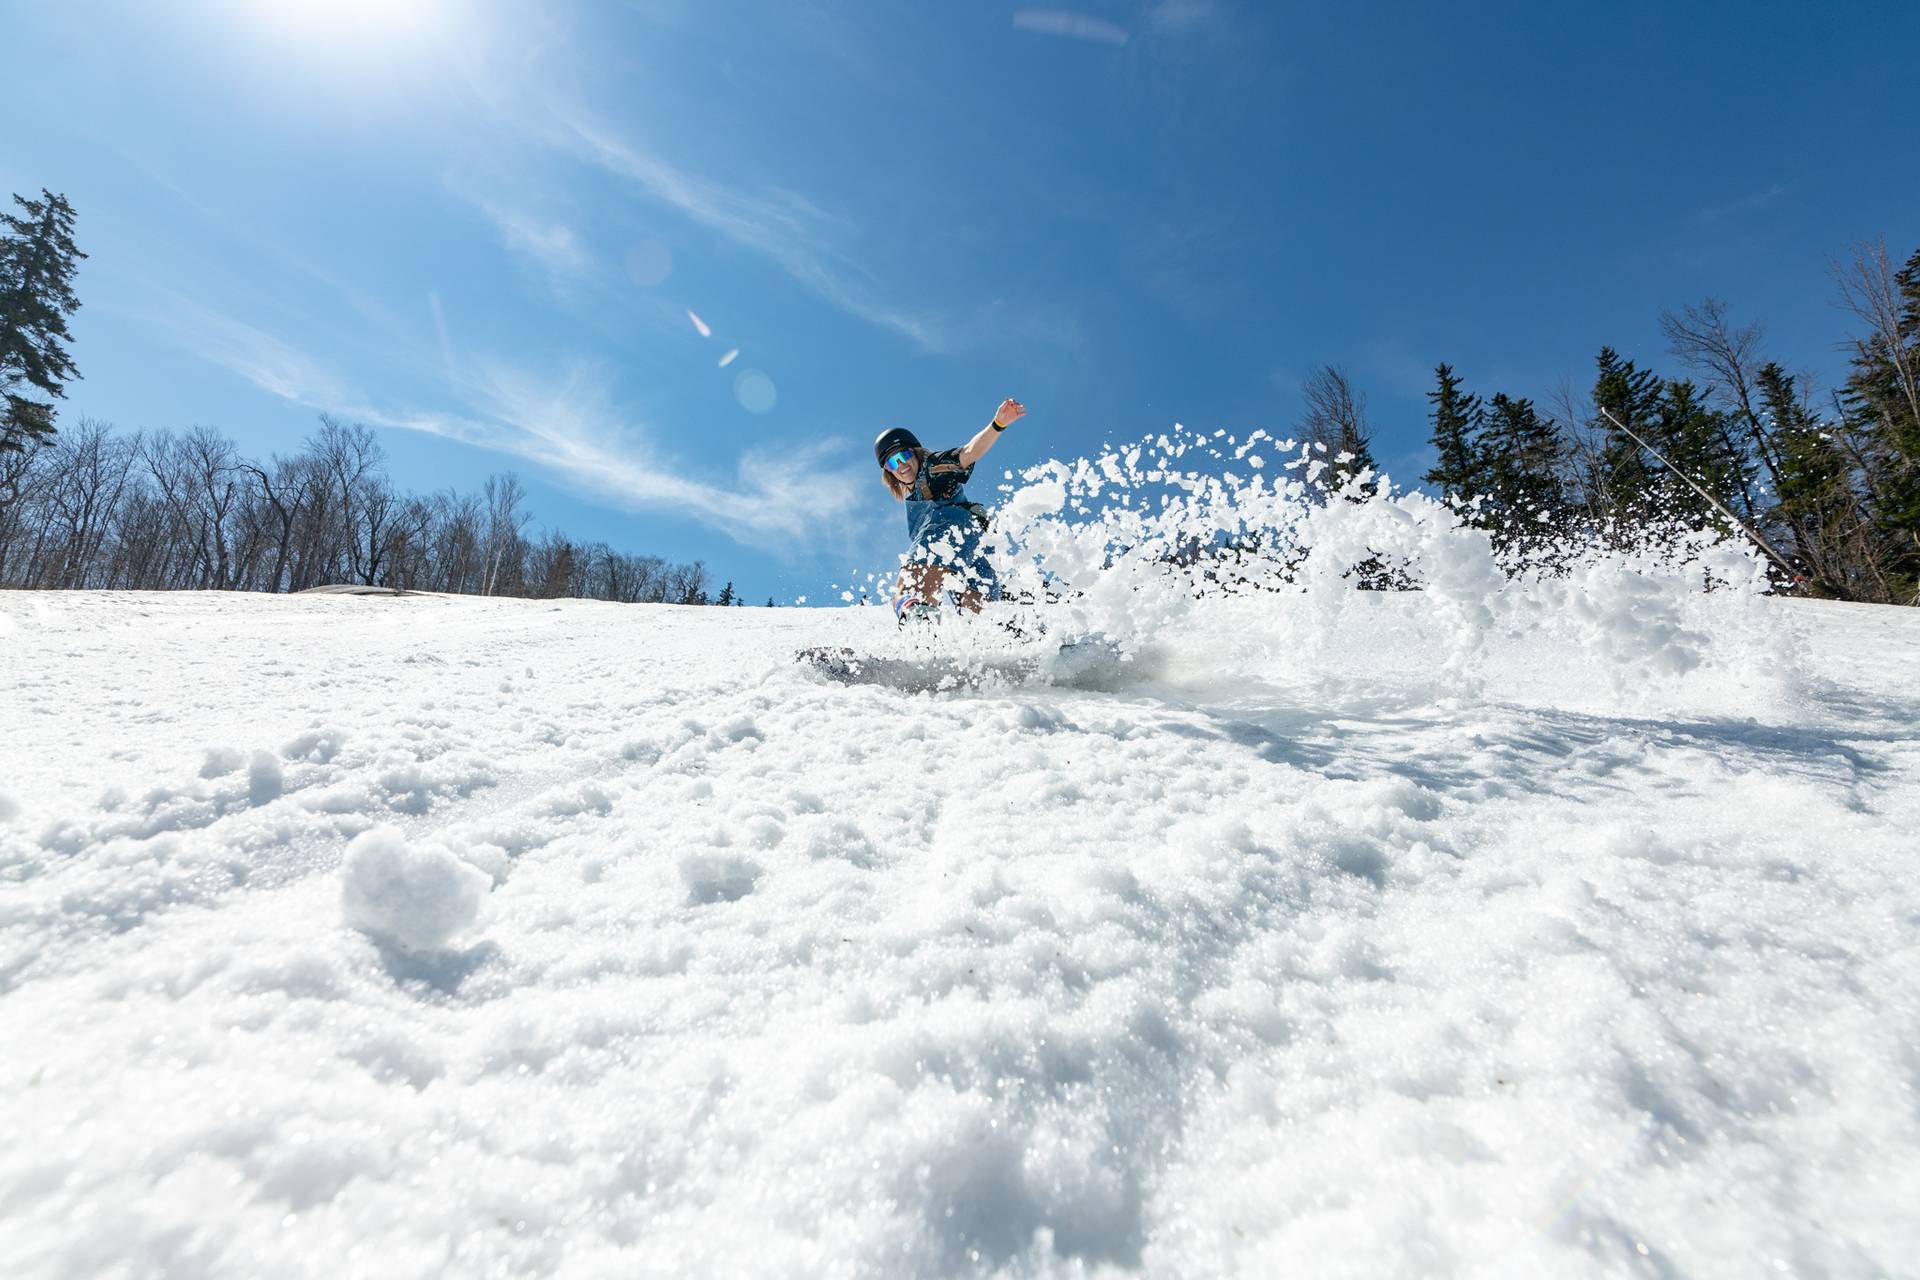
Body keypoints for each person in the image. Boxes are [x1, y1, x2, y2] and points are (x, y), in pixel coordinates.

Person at [873, 398, 1027, 622]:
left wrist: (997, 425)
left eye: (904, 456)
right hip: (977, 543)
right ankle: (1013, 641)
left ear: (915, 453)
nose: (902, 465)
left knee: (907, 589)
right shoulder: (914, 497)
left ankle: (919, 622)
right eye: (892, 463)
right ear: (889, 471)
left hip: (951, 527)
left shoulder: (933, 467)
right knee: (978, 616)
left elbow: (968, 453)